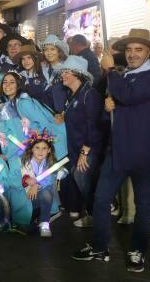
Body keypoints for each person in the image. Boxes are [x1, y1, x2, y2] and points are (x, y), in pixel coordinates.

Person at [72, 29, 150, 273]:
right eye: (128, 50)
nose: (132, 54)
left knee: (144, 204)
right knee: (101, 198)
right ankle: (99, 246)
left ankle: (138, 250)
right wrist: (109, 107)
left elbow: (129, 96)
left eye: (138, 49)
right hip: (117, 150)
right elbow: (121, 108)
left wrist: (108, 71)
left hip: (144, 152)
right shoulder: (125, 75)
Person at [57, 58, 102, 228]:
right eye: (63, 71)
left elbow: (94, 126)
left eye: (67, 72)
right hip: (76, 148)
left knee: (84, 180)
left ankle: (95, 217)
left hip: (87, 149)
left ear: (78, 74)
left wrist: (85, 152)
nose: (63, 75)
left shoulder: (90, 95)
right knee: (82, 181)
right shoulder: (73, 95)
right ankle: (93, 215)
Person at [19, 130, 61, 237]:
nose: (40, 151)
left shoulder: (50, 164)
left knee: (47, 192)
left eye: (44, 148)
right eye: (37, 147)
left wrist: (36, 184)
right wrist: (28, 180)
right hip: (27, 200)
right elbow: (23, 178)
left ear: (49, 150)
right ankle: (32, 217)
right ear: (32, 149)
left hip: (42, 197)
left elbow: (51, 179)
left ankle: (44, 224)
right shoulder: (25, 161)